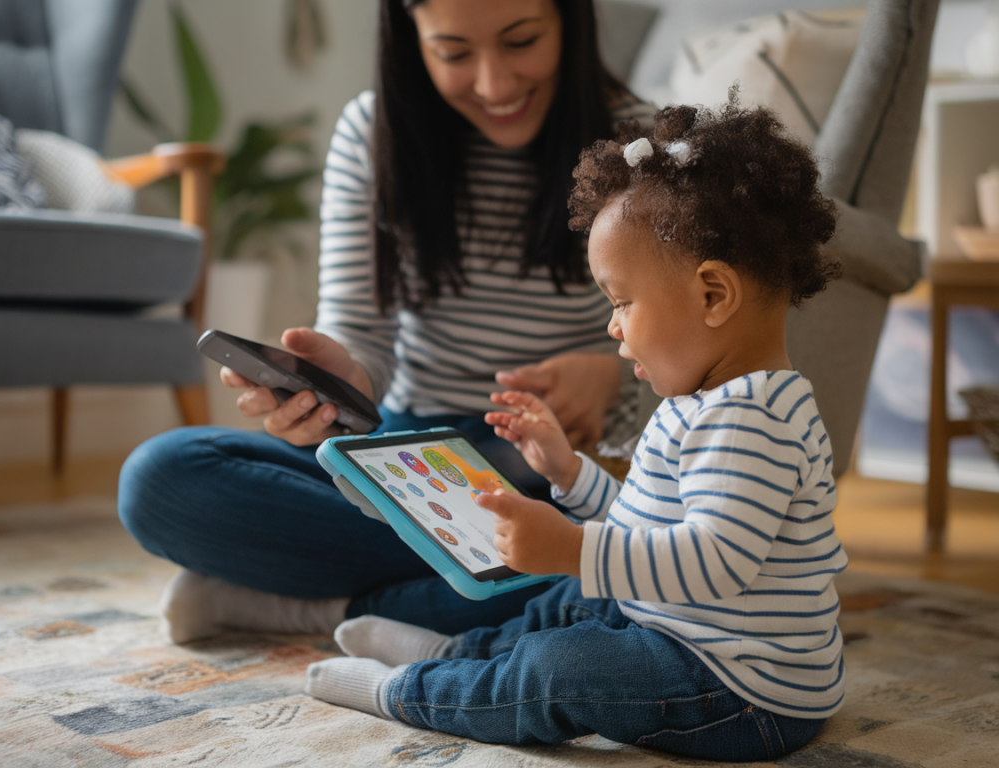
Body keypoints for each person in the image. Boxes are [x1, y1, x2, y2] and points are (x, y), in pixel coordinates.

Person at [303, 92, 849, 763]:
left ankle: (409, 691)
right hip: (689, 639)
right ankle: (458, 654)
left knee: (563, 665)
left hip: (743, 694)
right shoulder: (710, 399)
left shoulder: (751, 421)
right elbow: (651, 530)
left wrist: (575, 550)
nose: (612, 327)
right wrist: (567, 471)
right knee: (570, 601)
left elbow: (713, 565)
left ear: (713, 295)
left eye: (622, 302)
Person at [118, 0, 653, 643]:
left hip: (550, 471)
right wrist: (345, 375)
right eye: (454, 52)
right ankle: (519, 582)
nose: (494, 84)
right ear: (411, 38)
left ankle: (303, 607)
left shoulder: (644, 148)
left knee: (629, 567)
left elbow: (704, 352)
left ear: (571, 18)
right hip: (408, 455)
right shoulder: (374, 131)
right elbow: (361, 338)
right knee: (159, 479)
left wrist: (612, 379)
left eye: (521, 41)